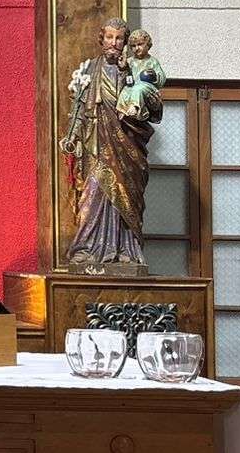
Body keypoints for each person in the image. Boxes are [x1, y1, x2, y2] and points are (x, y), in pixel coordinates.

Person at [60, 18, 158, 270]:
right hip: (96, 146)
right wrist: (72, 136)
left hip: (127, 146)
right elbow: (79, 106)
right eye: (110, 38)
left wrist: (140, 105)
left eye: (119, 39)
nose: (114, 43)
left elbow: (154, 106)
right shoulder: (89, 70)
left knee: (124, 194)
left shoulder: (135, 69)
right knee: (93, 193)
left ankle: (125, 250)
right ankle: (85, 249)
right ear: (102, 39)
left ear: (125, 42)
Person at [117, 28, 166, 122]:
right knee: (125, 91)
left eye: (140, 44)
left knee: (138, 89)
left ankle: (135, 107)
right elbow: (123, 78)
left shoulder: (152, 61)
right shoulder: (130, 61)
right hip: (132, 87)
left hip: (147, 88)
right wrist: (123, 68)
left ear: (147, 45)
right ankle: (122, 111)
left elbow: (162, 79)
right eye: (133, 46)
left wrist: (155, 76)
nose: (137, 48)